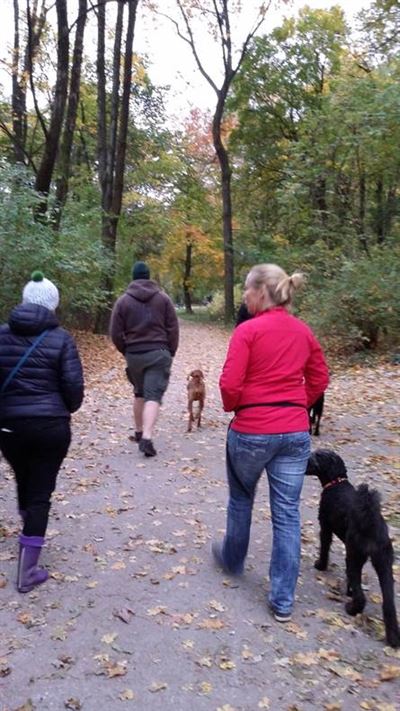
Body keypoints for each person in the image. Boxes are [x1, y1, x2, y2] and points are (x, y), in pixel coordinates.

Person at [213, 263, 329, 622]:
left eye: (247, 290)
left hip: (251, 430)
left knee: (241, 497)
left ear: (261, 292)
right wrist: (298, 405)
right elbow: (320, 375)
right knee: (287, 514)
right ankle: (282, 600)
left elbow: (230, 385)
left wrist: (238, 406)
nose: (244, 297)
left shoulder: (248, 332)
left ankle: (233, 559)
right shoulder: (303, 332)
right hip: (294, 434)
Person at [0, 271, 84, 593]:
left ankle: (28, 524)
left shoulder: (2, 335)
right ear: (53, 305)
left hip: (9, 427)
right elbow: (74, 391)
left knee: (24, 477)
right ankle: (28, 569)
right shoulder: (61, 338)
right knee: (41, 492)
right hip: (51, 427)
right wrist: (60, 407)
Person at [110, 261, 179, 457]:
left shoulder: (123, 301)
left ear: (133, 277)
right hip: (158, 352)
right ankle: (147, 438)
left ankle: (139, 431)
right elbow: (173, 328)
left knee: (139, 393)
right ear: (148, 277)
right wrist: (170, 350)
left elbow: (115, 332)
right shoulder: (163, 299)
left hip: (134, 354)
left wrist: (126, 350)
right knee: (153, 396)